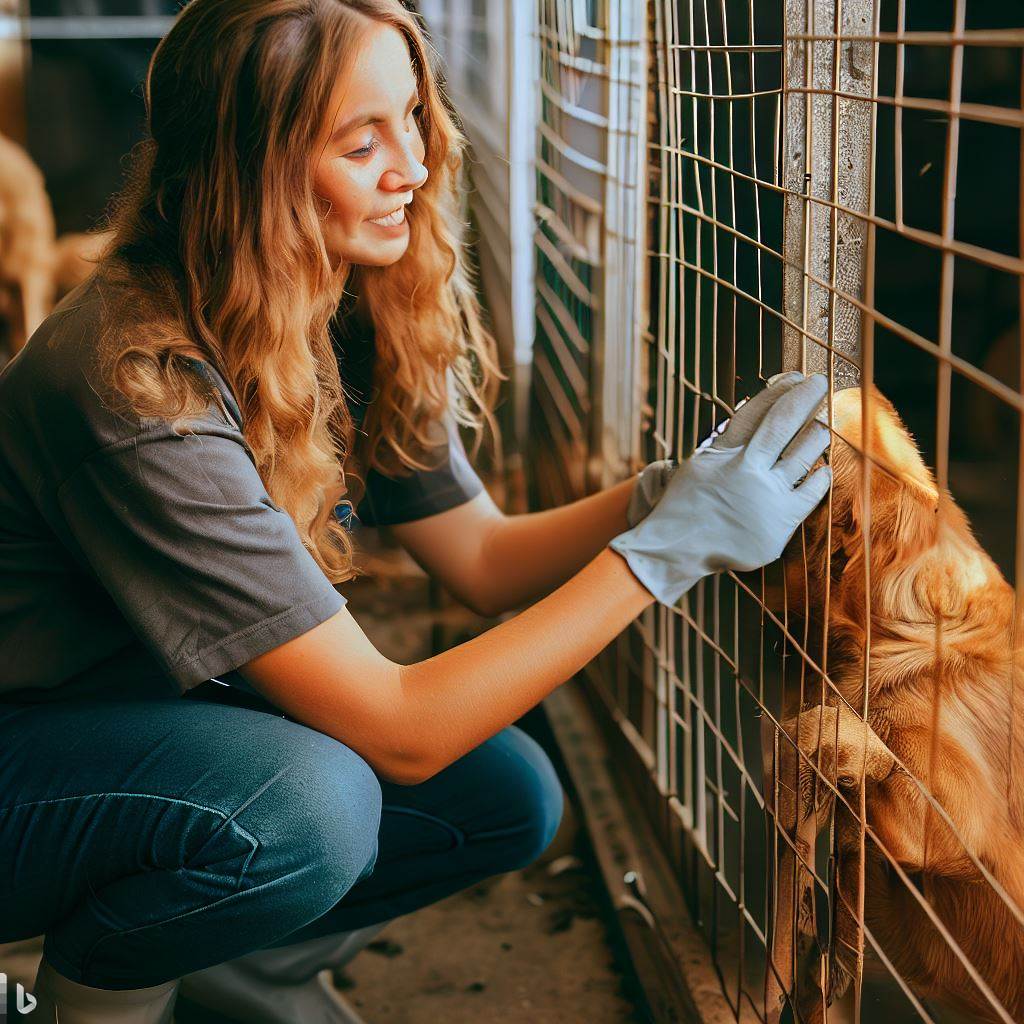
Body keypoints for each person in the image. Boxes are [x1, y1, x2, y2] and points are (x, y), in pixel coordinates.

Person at [0, 1, 833, 1021]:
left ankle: (235, 966)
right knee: (308, 804)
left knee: (501, 794)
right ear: (245, 169)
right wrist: (661, 558)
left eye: (412, 118)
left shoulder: (337, 299)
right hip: (23, 755)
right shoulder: (136, 382)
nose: (415, 166)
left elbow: (479, 557)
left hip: (132, 720)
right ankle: (87, 1006)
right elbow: (399, 732)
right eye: (363, 142)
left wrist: (659, 493)